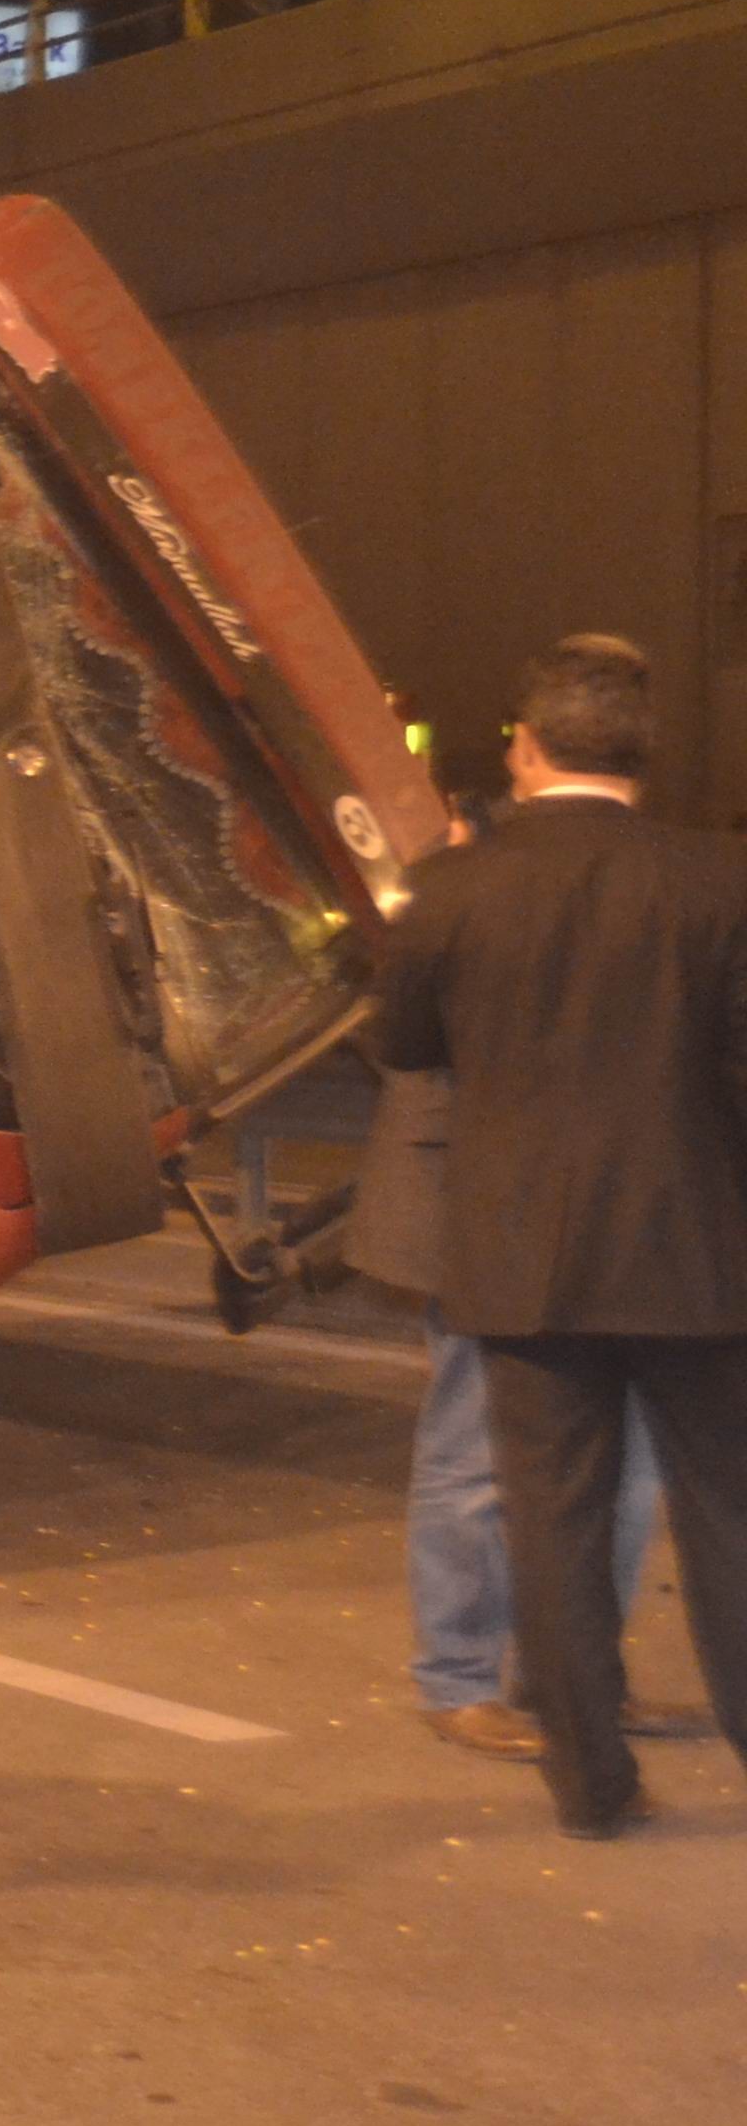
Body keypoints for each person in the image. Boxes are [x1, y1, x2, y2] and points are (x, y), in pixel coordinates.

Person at [369, 636, 747, 1837]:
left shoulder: (456, 887)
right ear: (646, 755)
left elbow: (407, 1045)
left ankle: (588, 1781)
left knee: (553, 1518)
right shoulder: (718, 881)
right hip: (695, 1253)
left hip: (521, 1252)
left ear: (524, 752)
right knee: (729, 1516)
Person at [345, 762, 686, 1757]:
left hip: (607, 1215)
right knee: (473, 1452)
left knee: (622, 1466)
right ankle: (459, 1676)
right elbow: (409, 1045)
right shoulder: (459, 889)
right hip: (481, 1216)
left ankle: (572, 1677)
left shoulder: (636, 886)